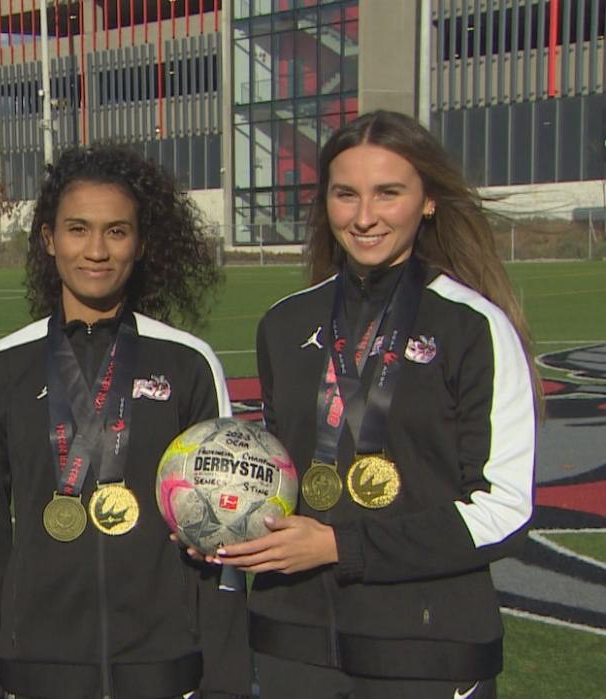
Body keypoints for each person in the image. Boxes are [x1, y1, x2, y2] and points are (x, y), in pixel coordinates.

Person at [212, 110, 540, 698]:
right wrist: (218, 521)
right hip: (294, 648)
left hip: (427, 652)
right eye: (346, 194)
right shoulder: (286, 324)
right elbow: (277, 477)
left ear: (429, 201)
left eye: (388, 193)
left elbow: (503, 509)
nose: (364, 217)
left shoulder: (473, 327)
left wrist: (341, 547)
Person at [0, 146, 251, 699]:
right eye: (77, 229)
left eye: (116, 231)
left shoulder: (188, 363)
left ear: (140, 243)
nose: (96, 250)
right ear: (48, 239)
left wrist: (226, 683)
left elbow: (224, 534)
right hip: (35, 677)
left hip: (166, 674)